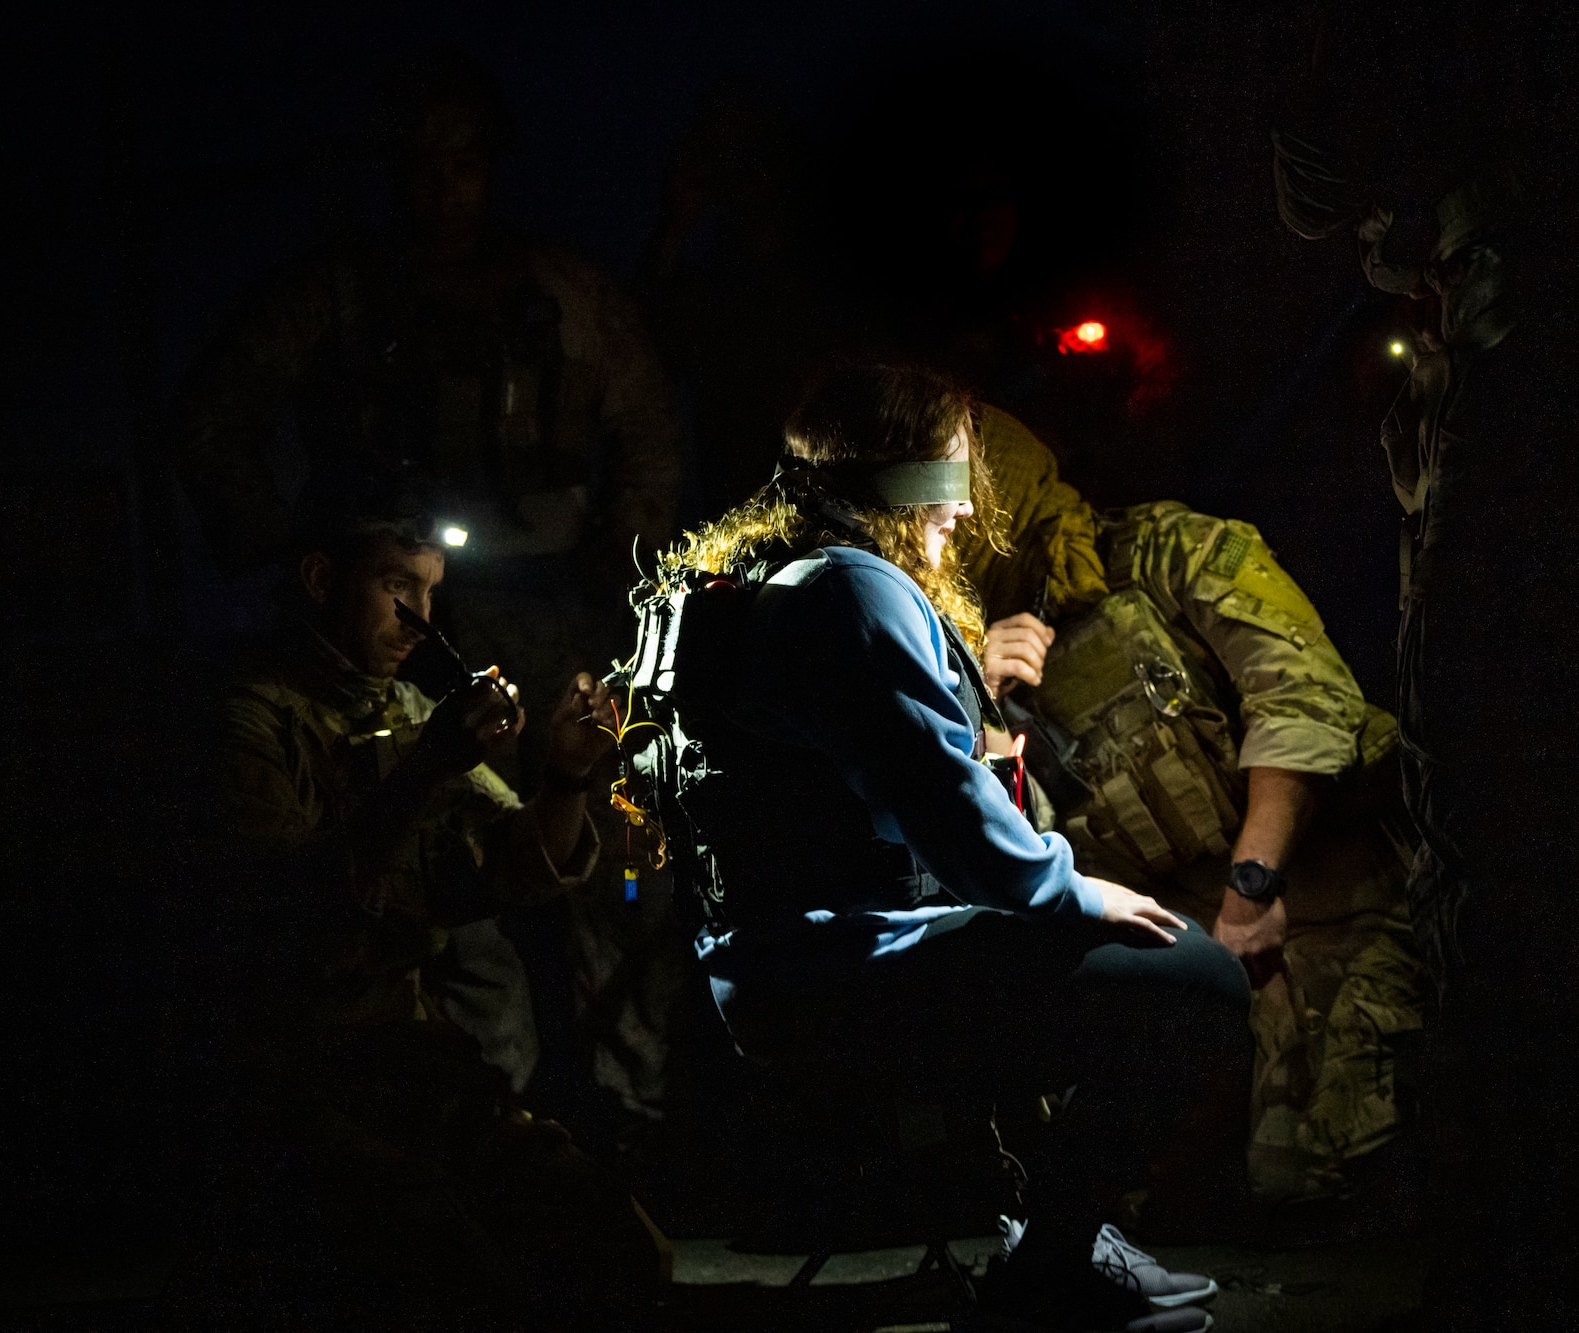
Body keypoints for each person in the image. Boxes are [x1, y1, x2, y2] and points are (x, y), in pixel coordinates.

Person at [634, 364, 1240, 1332]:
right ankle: (1049, 1272)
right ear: (901, 475)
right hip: (837, 975)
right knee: (1200, 979)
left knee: (1069, 955)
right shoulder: (852, 588)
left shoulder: (766, 573)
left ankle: (1059, 1243)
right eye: (954, 473)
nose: (965, 507)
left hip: (773, 973)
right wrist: (1072, 890)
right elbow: (952, 819)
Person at [174, 50, 686, 1156]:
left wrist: (621, 565)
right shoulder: (338, 296)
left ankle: (639, 1120)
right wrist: (296, 554)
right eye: (417, 162)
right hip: (400, 634)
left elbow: (648, 428)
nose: (438, 186)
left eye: (461, 161)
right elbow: (211, 414)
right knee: (448, 906)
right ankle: (471, 1121)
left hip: (557, 611)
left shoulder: (563, 294)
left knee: (612, 852)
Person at [213, 466, 665, 1327]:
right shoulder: (251, 720)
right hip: (290, 1071)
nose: (419, 617)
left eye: (429, 591)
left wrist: (567, 773)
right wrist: (425, 765)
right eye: (395, 585)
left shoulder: (414, 707)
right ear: (320, 578)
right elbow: (285, 913)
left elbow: (517, 862)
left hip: (400, 1054)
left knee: (619, 1251)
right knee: (458, 1282)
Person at [955, 407, 1421, 1218]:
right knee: (1139, 1192)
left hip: (1329, 898)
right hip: (1182, 940)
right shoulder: (959, 651)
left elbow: (1304, 699)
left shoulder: (1177, 552)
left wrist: (1250, 887)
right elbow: (994, 850)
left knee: (1300, 1181)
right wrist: (981, 708)